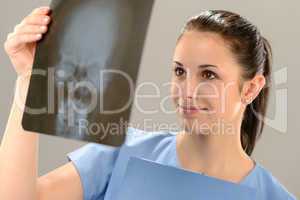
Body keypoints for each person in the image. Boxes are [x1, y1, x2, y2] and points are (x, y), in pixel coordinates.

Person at [0, 6, 296, 200]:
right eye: (180, 71)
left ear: (251, 88)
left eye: (208, 74)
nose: (187, 91)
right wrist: (30, 81)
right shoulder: (120, 153)